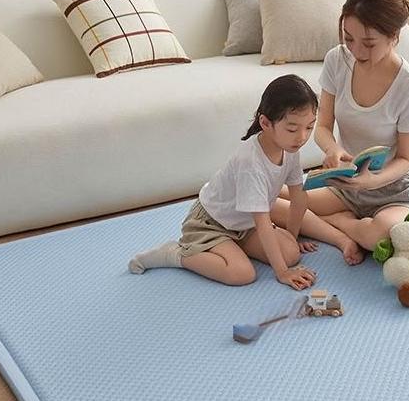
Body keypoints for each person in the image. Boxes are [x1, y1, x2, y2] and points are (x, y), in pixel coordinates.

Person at [272, 0, 409, 261]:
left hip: (392, 190)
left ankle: (338, 222)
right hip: (344, 183)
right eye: (349, 39)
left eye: (368, 43)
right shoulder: (337, 60)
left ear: (394, 36)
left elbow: (405, 159)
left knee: (383, 236)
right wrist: (333, 149)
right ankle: (342, 225)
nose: (356, 51)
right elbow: (322, 126)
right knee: (265, 199)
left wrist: (371, 181)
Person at [128, 74, 326, 289]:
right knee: (242, 274)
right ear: (265, 123)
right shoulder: (251, 162)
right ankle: (176, 255)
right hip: (212, 223)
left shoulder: (289, 148)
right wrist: (282, 273)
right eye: (292, 129)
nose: (302, 137)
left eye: (309, 127)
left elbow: (299, 199)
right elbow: (262, 221)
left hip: (244, 224)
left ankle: (233, 247)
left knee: (291, 253)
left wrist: (292, 238)